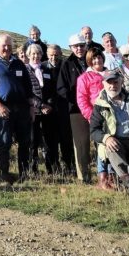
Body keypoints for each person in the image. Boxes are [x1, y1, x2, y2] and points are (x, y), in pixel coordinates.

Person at [0, 34, 38, 183]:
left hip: (22, 109)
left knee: (25, 142)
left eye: (9, 45)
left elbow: (28, 88)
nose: (6, 48)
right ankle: (4, 174)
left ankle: (24, 174)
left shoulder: (19, 64)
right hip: (3, 109)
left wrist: (32, 107)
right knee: (4, 142)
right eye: (3, 46)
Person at [89, 71, 129, 200]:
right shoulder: (100, 105)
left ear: (121, 83)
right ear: (104, 84)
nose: (113, 86)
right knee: (111, 148)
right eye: (109, 83)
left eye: (116, 82)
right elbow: (94, 130)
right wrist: (106, 138)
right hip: (119, 142)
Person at [77, 48, 113, 189]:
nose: (97, 61)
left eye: (99, 57)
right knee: (101, 146)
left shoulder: (111, 73)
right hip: (97, 117)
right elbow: (82, 100)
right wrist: (92, 116)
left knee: (113, 144)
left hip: (113, 116)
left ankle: (113, 176)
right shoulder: (84, 78)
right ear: (89, 61)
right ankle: (102, 178)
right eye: (94, 59)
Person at [55, 34, 89, 181]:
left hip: (96, 109)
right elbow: (61, 89)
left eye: (81, 45)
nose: (79, 49)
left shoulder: (92, 61)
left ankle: (106, 175)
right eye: (76, 46)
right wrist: (77, 102)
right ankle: (83, 176)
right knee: (80, 144)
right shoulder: (66, 64)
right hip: (76, 110)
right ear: (71, 48)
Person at [26, 43, 58, 174]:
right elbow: (26, 91)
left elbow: (52, 90)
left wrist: (49, 105)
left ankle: (52, 168)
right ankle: (33, 169)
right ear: (28, 55)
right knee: (33, 141)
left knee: (49, 140)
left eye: (38, 53)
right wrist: (40, 105)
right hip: (32, 111)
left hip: (47, 112)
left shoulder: (47, 70)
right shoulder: (25, 70)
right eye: (33, 53)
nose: (36, 56)